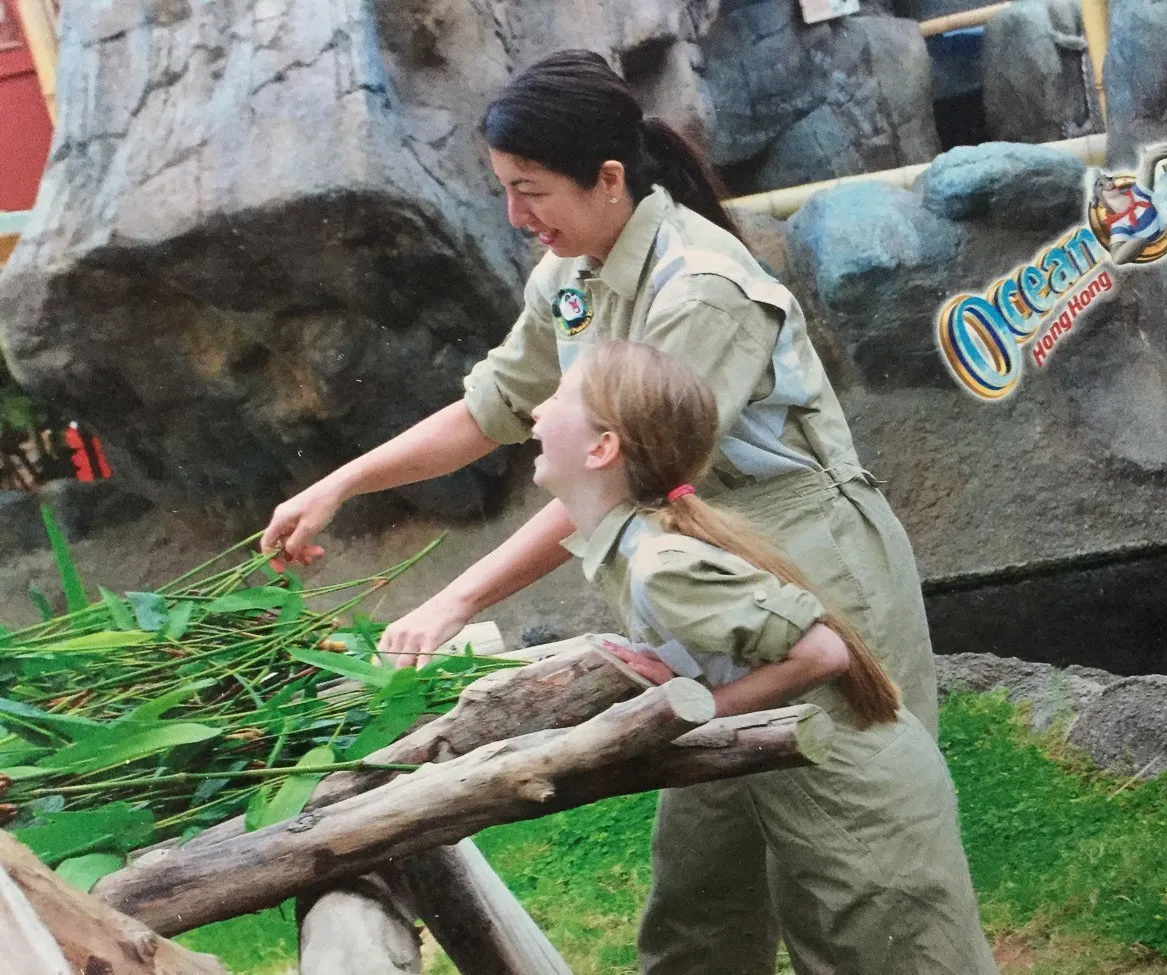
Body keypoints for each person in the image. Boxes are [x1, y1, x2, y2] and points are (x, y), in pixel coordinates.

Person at [261, 49, 941, 973]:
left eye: (530, 190)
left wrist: (455, 599)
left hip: (807, 565)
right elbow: (489, 408)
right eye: (505, 189)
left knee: (865, 886)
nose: (516, 216)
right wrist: (339, 484)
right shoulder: (574, 272)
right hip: (702, 589)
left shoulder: (702, 288)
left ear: (609, 178)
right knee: (698, 899)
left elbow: (617, 482)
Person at [529, 340, 998, 974]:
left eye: (559, 397)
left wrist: (702, 707)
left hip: (865, 814)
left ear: (602, 448)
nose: (537, 410)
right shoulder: (643, 548)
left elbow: (822, 652)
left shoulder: (660, 565)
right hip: (829, 805)